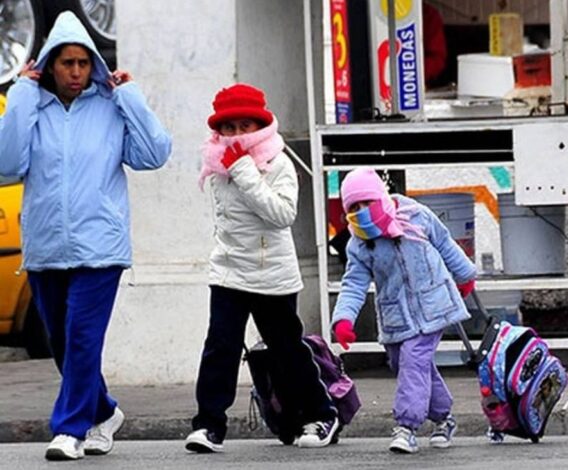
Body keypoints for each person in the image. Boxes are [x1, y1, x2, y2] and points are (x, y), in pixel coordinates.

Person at [0, 11, 172, 461]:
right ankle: (105, 412)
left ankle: (69, 428)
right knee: (61, 342)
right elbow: (7, 162)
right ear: (49, 65)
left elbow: (155, 154)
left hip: (101, 248)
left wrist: (129, 96)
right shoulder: (32, 107)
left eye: (82, 63)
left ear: (93, 63)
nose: (75, 72)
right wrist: (20, 91)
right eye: (66, 63)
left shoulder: (111, 106)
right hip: (46, 246)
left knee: (80, 339)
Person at [186, 83, 338, 453]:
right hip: (228, 271)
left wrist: (246, 173)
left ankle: (320, 414)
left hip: (273, 274)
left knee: (287, 350)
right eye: (229, 128)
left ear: (260, 126)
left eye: (245, 126)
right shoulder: (215, 163)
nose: (237, 136)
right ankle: (209, 425)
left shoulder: (277, 162)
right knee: (220, 347)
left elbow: (282, 215)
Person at [330, 167, 476, 453]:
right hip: (396, 316)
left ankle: (406, 426)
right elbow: (354, 283)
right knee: (406, 365)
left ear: (380, 197)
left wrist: (465, 275)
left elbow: (445, 243)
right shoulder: (360, 242)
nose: (361, 212)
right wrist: (344, 318)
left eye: (366, 203)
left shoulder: (416, 215)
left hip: (433, 305)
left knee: (414, 359)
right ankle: (444, 417)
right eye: (353, 207)